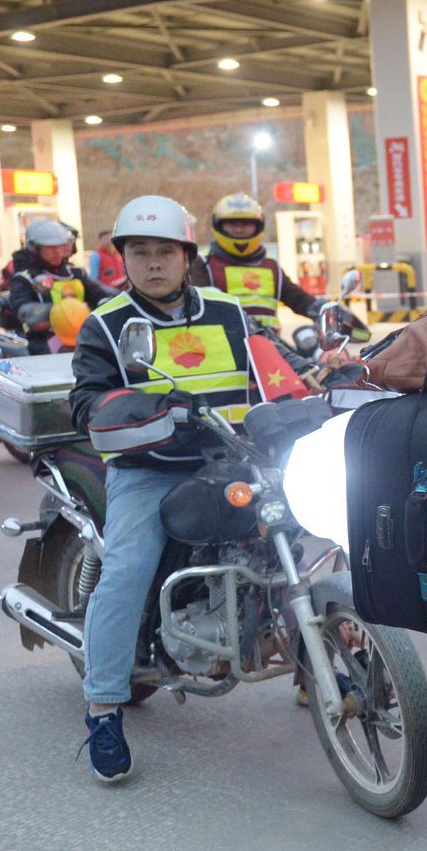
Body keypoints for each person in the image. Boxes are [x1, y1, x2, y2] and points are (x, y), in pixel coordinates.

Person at [68, 196, 260, 782]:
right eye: (140, 253)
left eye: (165, 253)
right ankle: (103, 709)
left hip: (233, 459)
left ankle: (324, 653)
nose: (154, 264)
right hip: (149, 470)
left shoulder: (229, 311)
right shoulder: (105, 324)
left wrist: (320, 373)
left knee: (312, 526)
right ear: (123, 258)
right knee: (126, 571)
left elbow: (267, 376)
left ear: (187, 257)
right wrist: (144, 408)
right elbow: (84, 403)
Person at [193, 193, 329, 334]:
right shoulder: (203, 265)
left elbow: (300, 300)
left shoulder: (271, 266)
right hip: (226, 348)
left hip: (271, 347)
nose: (239, 230)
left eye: (246, 224)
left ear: (258, 226)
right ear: (218, 225)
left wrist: (327, 310)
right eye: (232, 224)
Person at [7, 218, 115, 355]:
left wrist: (106, 303)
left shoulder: (76, 274)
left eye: (61, 246)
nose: (58, 252)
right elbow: (22, 311)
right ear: (35, 248)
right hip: (43, 344)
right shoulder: (25, 279)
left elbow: (99, 295)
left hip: (82, 338)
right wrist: (60, 312)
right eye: (51, 247)